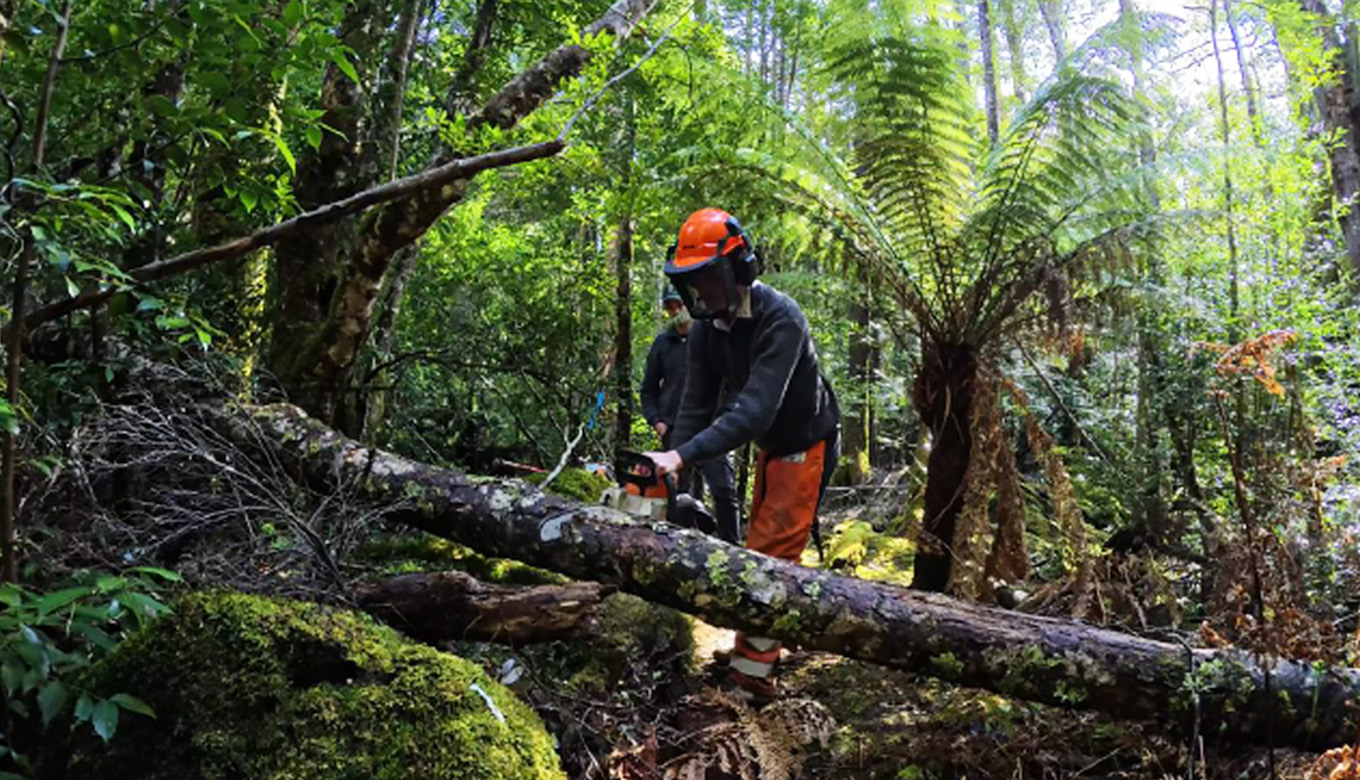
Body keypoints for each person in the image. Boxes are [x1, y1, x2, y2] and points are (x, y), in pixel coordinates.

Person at [645, 207, 839, 705]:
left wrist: (683, 454)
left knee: (772, 556)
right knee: (759, 546)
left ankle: (753, 678)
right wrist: (670, 463)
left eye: (709, 279)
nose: (702, 294)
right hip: (770, 444)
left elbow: (753, 410)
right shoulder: (709, 330)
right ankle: (754, 650)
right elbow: (695, 406)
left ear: (738, 270)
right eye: (694, 282)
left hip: (803, 440)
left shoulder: (782, 319)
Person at [639, 286, 740, 543]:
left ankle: (734, 548)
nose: (675, 311)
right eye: (670, 306)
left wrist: (725, 419)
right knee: (675, 493)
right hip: (675, 429)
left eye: (679, 304)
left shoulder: (713, 337)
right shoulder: (663, 343)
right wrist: (657, 421)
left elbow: (734, 384)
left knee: (723, 490)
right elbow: (648, 389)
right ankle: (677, 548)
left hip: (712, 429)